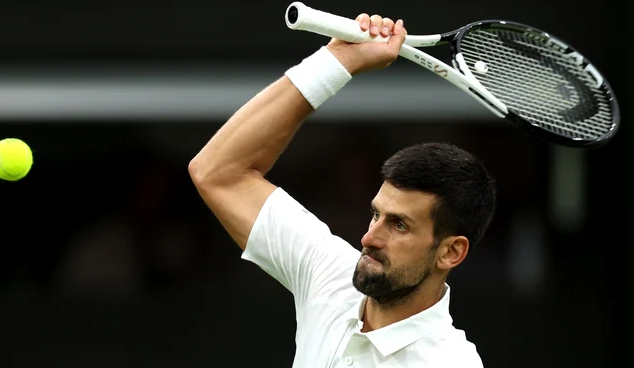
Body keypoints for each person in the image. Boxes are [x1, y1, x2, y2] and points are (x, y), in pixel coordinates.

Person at [188, 11, 496, 368]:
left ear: (451, 253)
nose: (369, 238)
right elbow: (218, 172)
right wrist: (338, 61)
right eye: (376, 215)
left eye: (399, 225)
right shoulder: (330, 274)